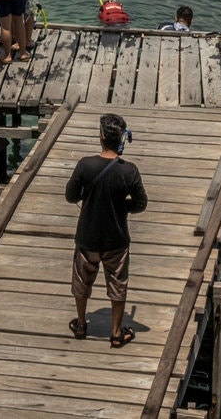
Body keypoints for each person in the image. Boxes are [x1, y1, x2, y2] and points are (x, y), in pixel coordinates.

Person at [65, 113, 146, 347]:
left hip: (87, 237)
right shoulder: (129, 171)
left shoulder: (85, 165)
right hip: (116, 239)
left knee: (82, 281)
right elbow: (141, 204)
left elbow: (71, 196)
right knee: (118, 284)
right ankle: (116, 333)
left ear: (101, 137)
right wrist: (123, 206)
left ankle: (81, 325)